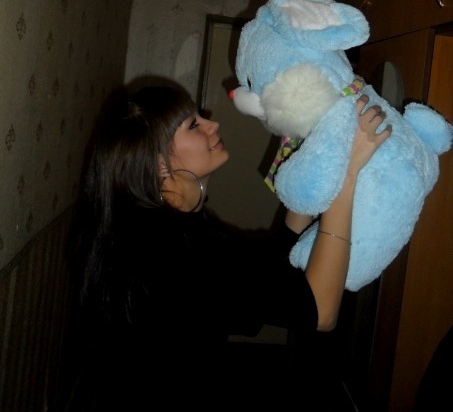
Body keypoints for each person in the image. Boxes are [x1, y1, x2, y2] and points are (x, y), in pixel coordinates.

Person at [68, 80, 391, 410]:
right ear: (161, 165)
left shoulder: (163, 231)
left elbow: (261, 268)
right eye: (193, 125)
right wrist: (346, 174)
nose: (212, 125)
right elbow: (320, 312)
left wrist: (310, 170)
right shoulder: (181, 253)